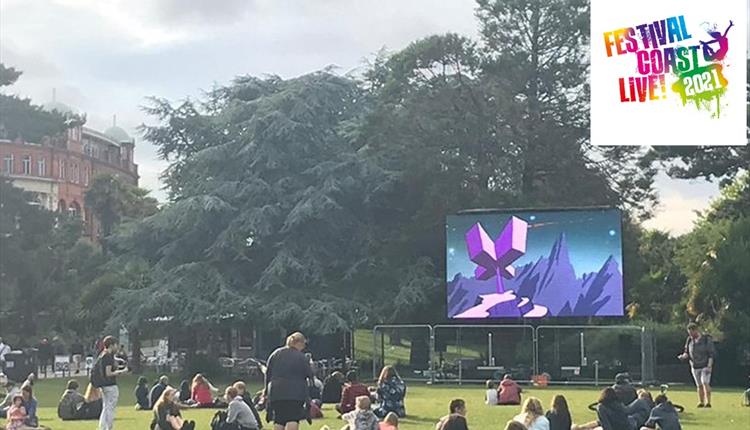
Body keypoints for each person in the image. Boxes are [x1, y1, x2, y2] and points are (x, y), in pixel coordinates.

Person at [263, 331, 314, 430]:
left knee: (279, 419)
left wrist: (266, 391)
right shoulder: (301, 357)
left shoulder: (275, 354)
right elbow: (310, 375)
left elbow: (268, 374)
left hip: (276, 393)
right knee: (293, 419)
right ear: (299, 343)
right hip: (295, 393)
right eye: (303, 344)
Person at [678, 322, 716, 408]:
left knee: (705, 382)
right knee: (699, 385)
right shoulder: (689, 340)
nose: (690, 335)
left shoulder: (706, 339)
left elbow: (711, 354)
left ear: (696, 330)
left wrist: (709, 366)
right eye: (689, 333)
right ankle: (701, 402)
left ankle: (708, 402)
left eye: (691, 333)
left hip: (705, 365)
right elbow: (687, 352)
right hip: (695, 366)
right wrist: (683, 356)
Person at [96, 335, 129, 430]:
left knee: (105, 407)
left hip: (103, 385)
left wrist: (118, 362)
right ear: (111, 345)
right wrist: (122, 371)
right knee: (110, 408)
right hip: (110, 385)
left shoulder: (103, 354)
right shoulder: (108, 357)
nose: (117, 347)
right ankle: (109, 427)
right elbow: (109, 373)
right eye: (116, 345)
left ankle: (102, 428)